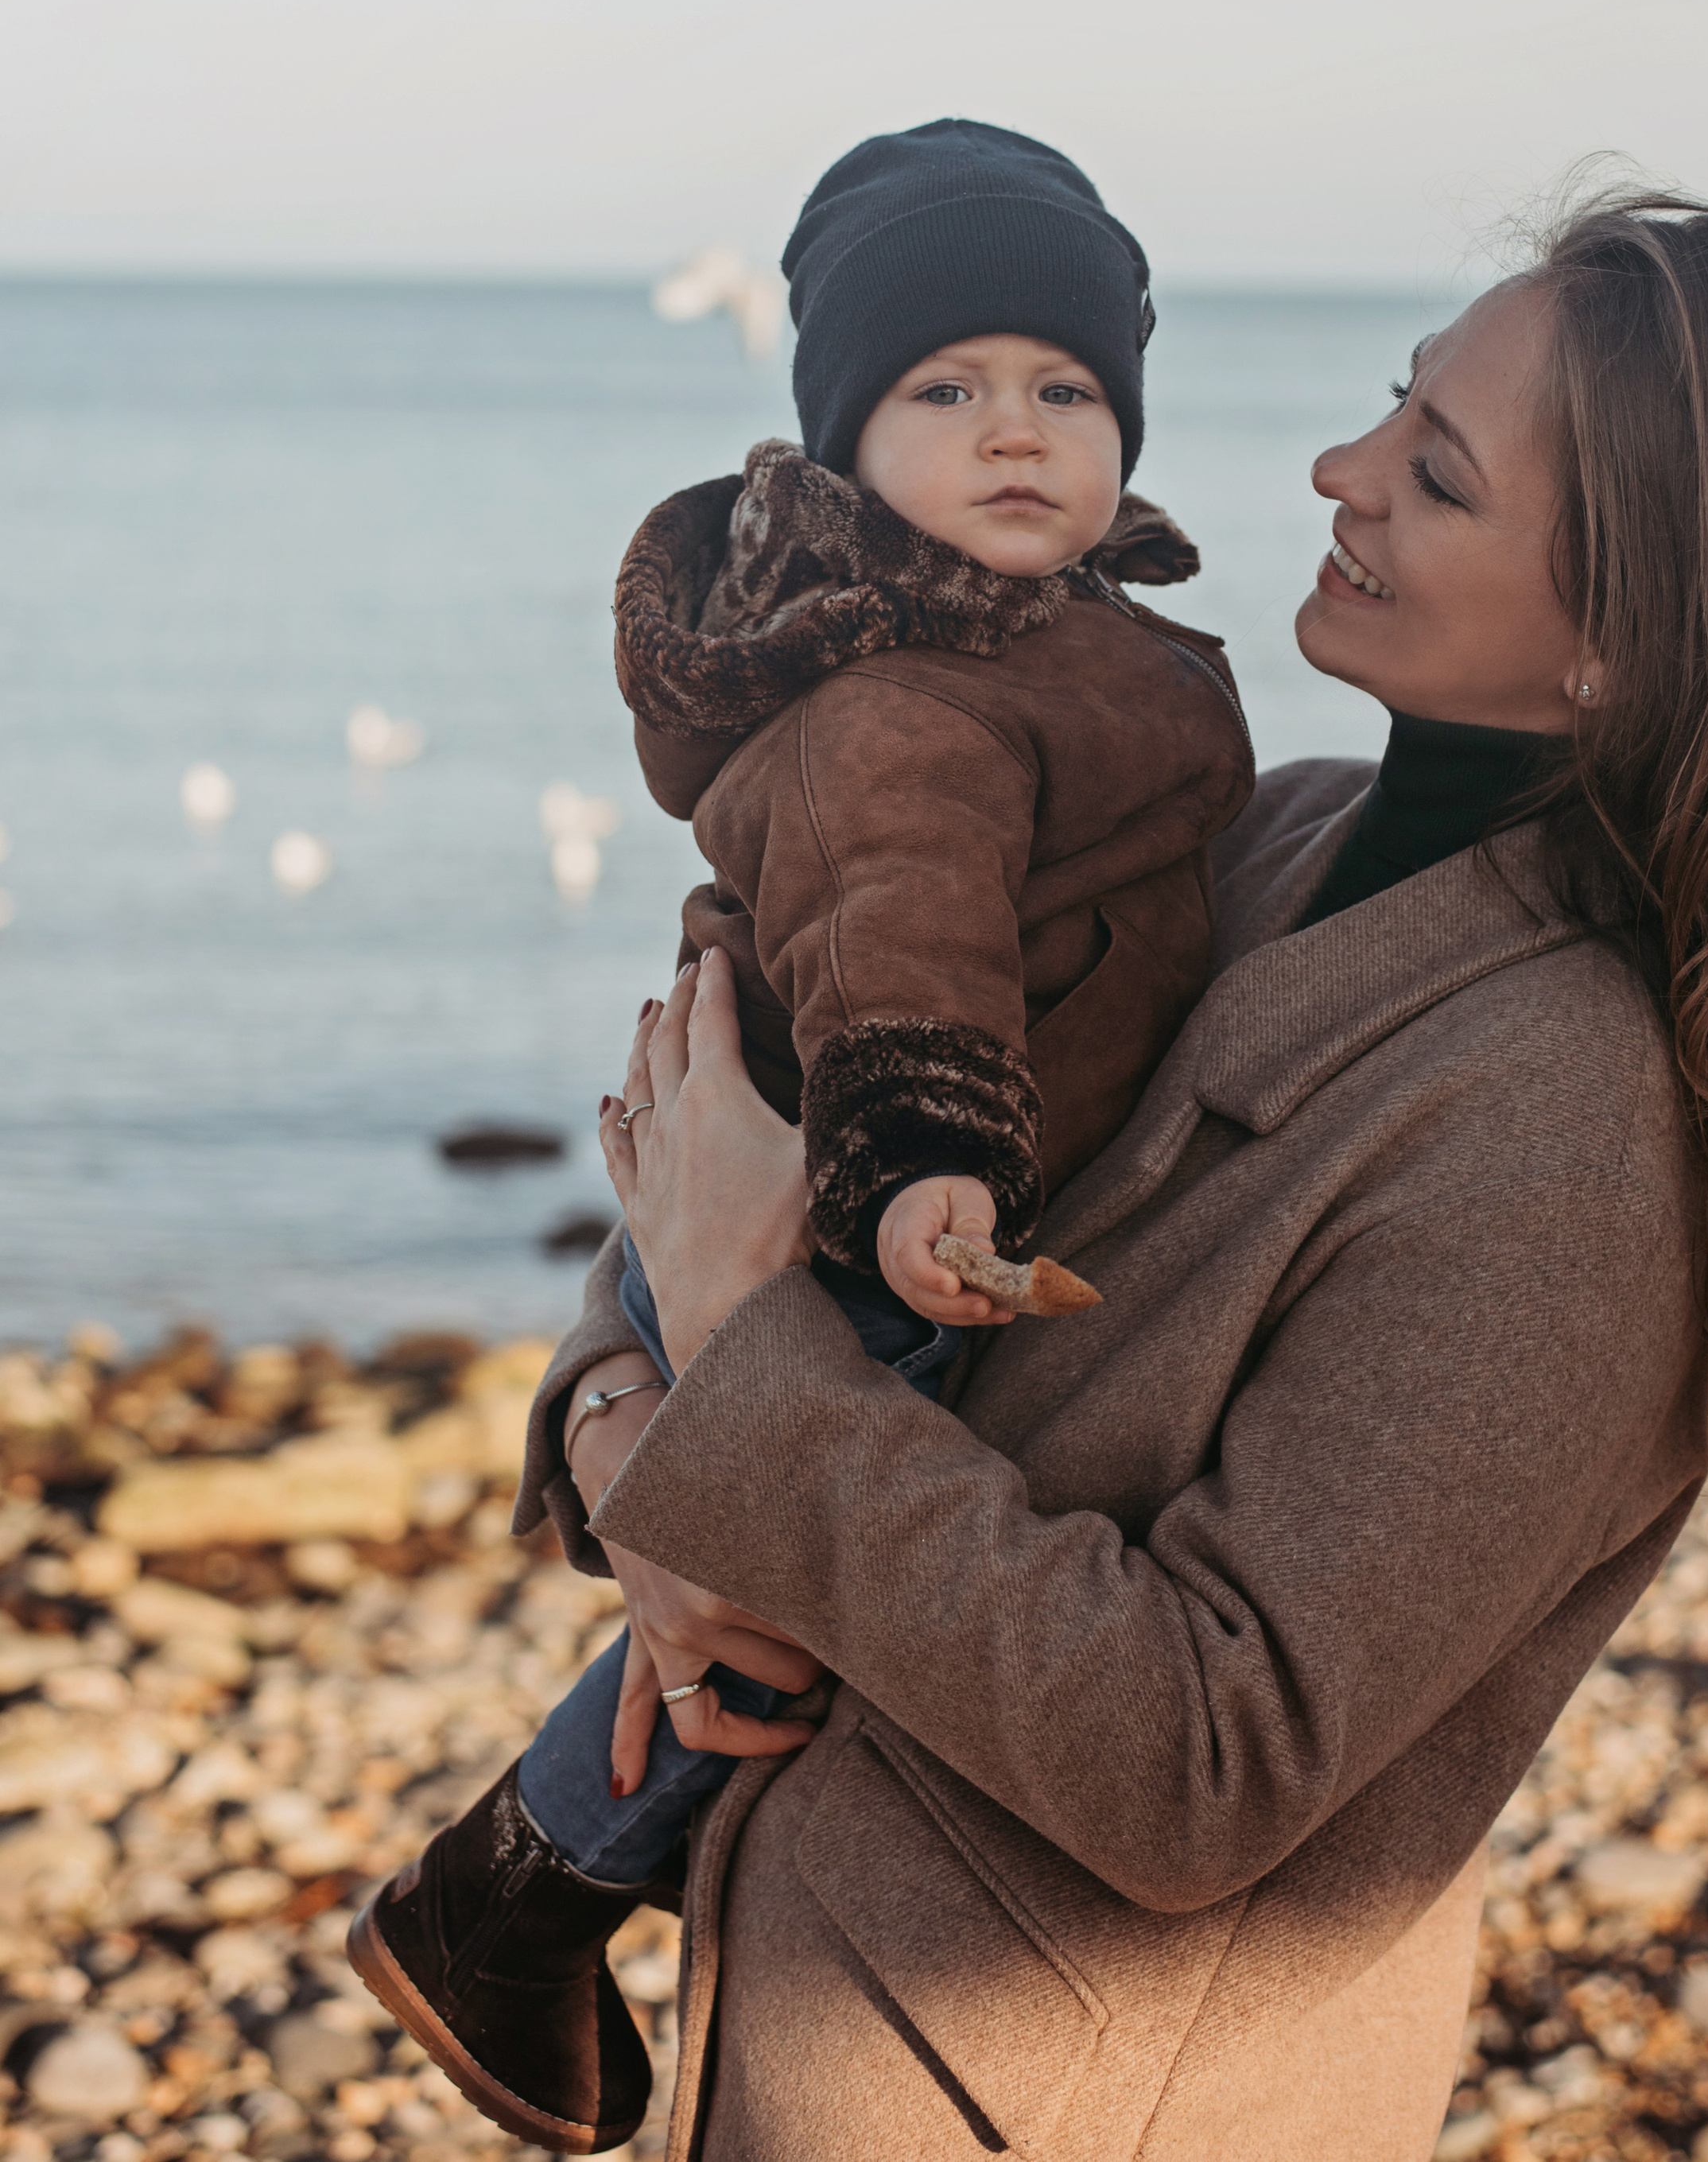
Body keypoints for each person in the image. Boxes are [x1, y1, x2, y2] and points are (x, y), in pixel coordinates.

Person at [425, 187, 1708, 2161]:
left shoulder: (1563, 1134)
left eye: (1431, 475)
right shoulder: (1262, 835)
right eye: (1387, 404)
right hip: (809, 2018)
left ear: (1623, 638)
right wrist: (621, 1439)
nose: (1334, 470)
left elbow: (1210, 1754)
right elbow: (773, 1106)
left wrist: (746, 1372)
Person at [347, 121, 1253, 2150]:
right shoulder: (905, 694)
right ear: (846, 447)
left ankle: (533, 1874)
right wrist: (926, 1161)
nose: (1013, 428)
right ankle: (525, 1879)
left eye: (1066, 389)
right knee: (773, 1597)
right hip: (874, 1210)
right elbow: (897, 925)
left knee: (779, 1569)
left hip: (879, 1194)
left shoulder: (1047, 637)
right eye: (943, 390)